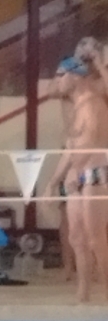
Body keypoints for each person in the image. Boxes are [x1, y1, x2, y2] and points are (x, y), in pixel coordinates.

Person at [45, 56, 108, 303]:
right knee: (77, 238)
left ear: (75, 76)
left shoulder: (93, 105)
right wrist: (54, 182)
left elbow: (88, 145)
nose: (57, 81)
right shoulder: (77, 107)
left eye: (61, 75)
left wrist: (70, 173)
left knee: (96, 238)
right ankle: (83, 292)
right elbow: (71, 150)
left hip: (96, 174)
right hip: (78, 175)